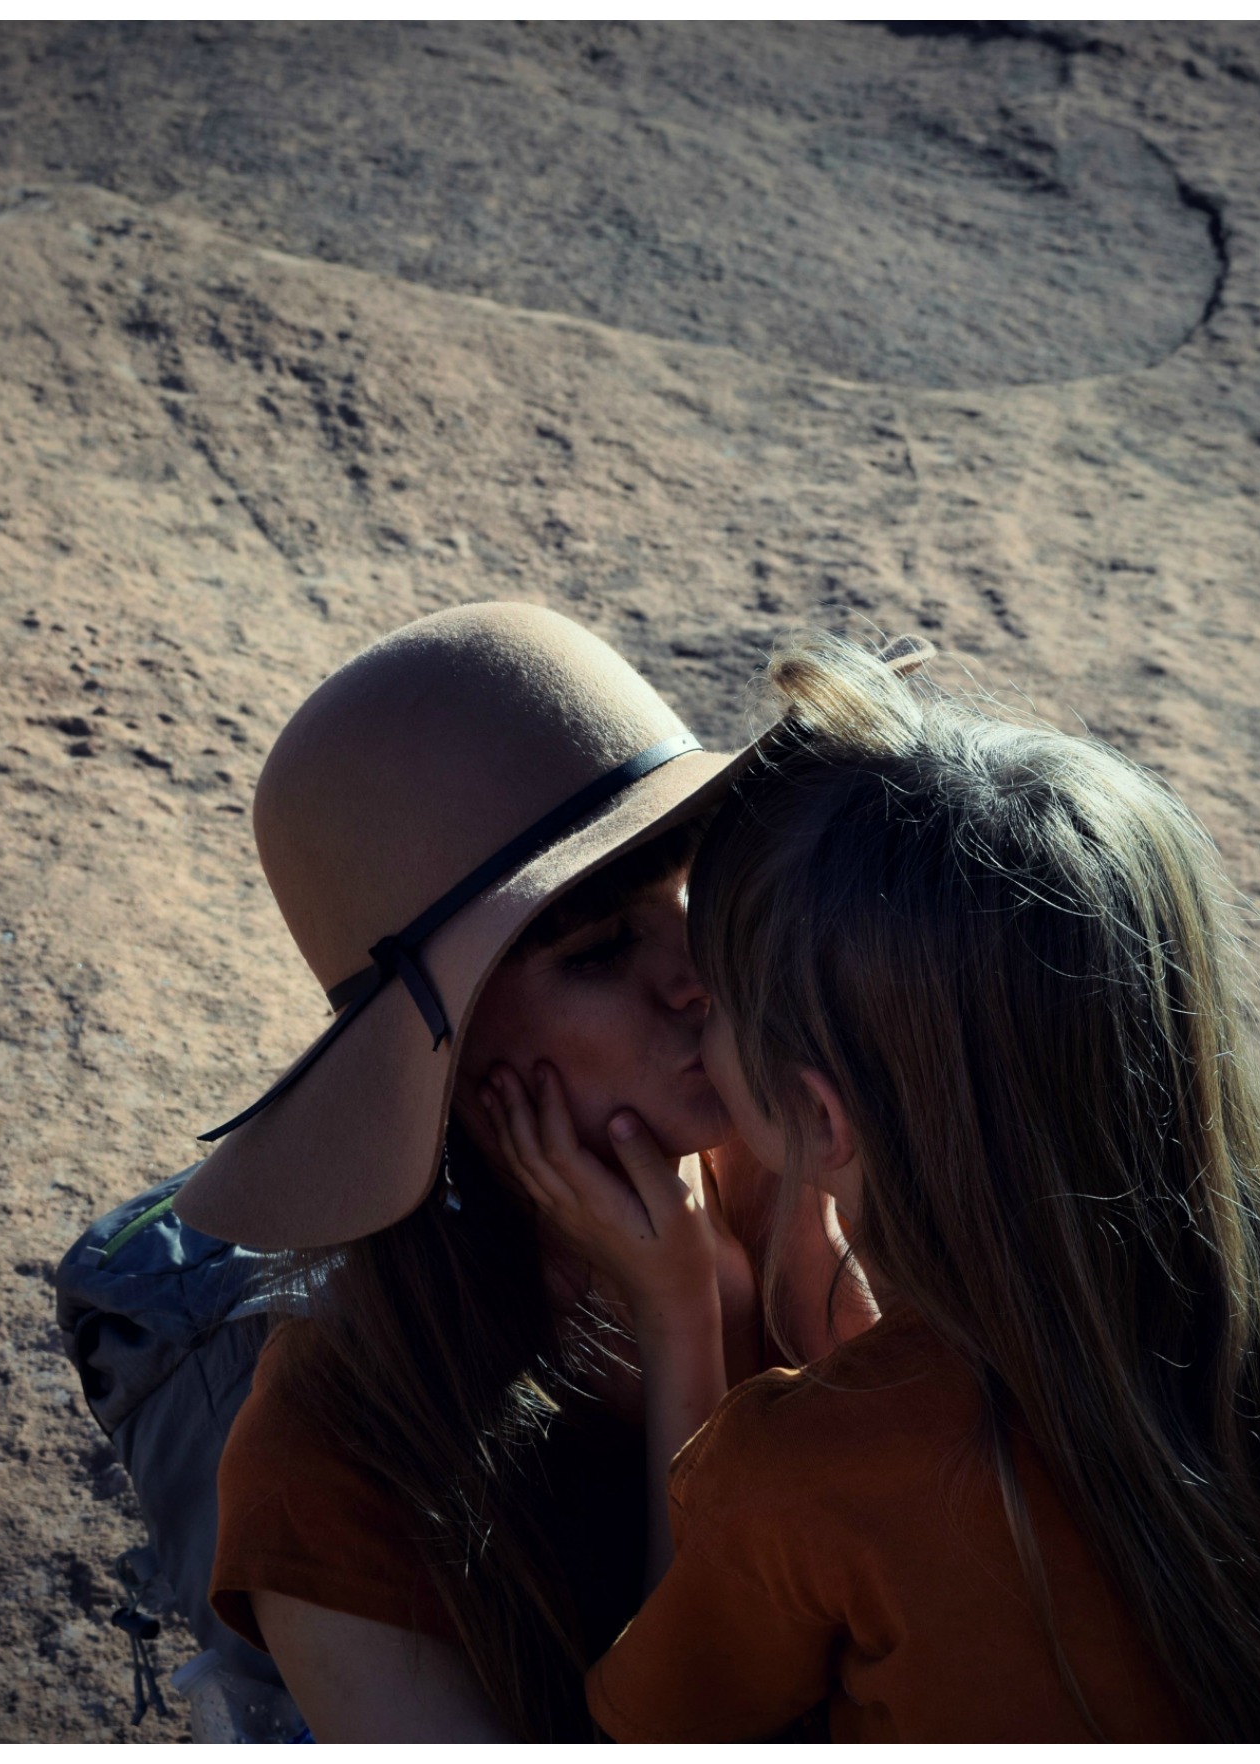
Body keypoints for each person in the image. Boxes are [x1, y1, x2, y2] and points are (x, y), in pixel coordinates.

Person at [551, 636, 1260, 1742]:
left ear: (823, 1122)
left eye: (715, 999)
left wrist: (680, 1318)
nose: (683, 1009)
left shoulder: (806, 1475)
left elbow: (653, 1735)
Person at [180, 603, 873, 1741]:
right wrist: (681, 1332)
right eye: (598, 951)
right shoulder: (328, 1460)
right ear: (440, 1066)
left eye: (688, 895)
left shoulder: (795, 1150)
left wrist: (807, 1262)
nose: (697, 976)